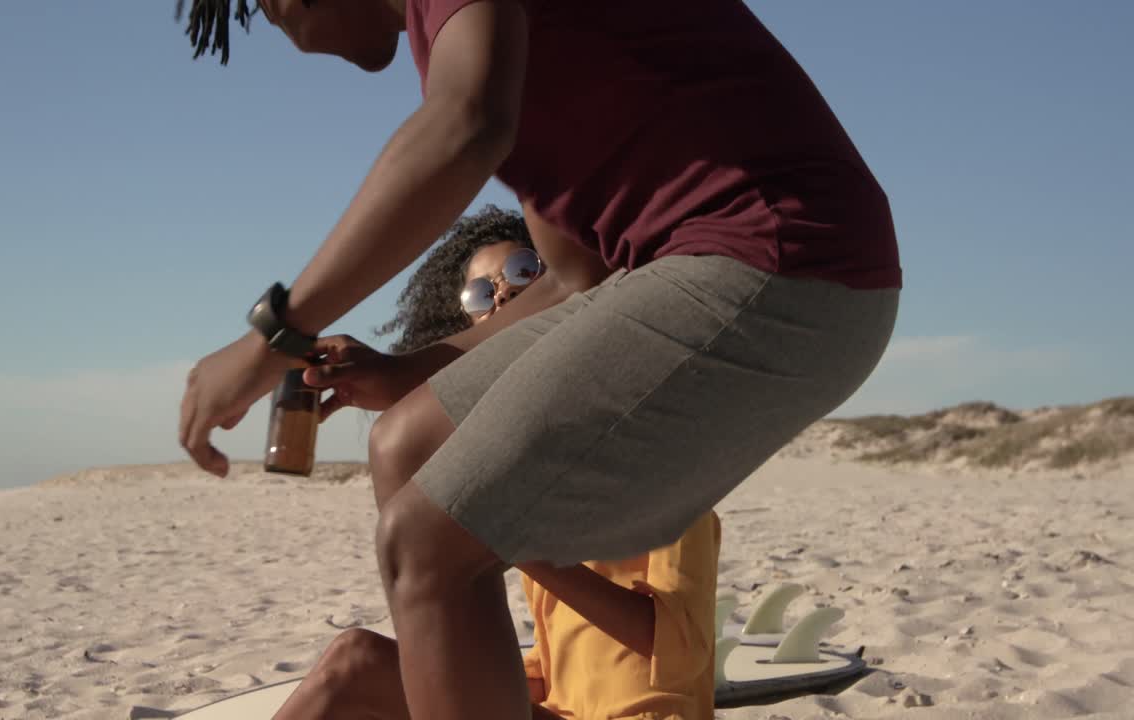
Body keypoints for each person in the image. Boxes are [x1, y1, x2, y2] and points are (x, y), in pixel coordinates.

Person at [176, 2, 901, 718]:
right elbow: (569, 279)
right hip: (703, 265)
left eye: (265, 9)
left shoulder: (465, 48)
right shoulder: (477, 40)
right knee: (404, 444)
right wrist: (403, 372)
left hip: (782, 259)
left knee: (426, 544)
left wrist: (271, 334)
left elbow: (465, 126)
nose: (283, 28)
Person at [272, 206, 723, 720]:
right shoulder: (533, 475)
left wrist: (510, 537)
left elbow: (681, 652)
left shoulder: (651, 456)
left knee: (353, 661)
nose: (502, 294)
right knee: (363, 663)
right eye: (482, 295)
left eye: (522, 272)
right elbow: (558, 669)